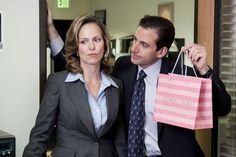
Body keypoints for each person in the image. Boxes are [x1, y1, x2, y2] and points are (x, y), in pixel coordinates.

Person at [47, 8, 231, 157]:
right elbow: (81, 61)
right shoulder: (122, 67)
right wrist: (50, 28)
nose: (134, 48)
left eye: (144, 45)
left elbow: (222, 108)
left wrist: (204, 70)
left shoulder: (182, 76)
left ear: (161, 52)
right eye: (135, 39)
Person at [23, 14, 127, 157]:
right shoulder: (58, 83)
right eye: (84, 41)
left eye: (97, 40)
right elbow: (40, 136)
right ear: (76, 48)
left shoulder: (116, 86)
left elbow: (119, 140)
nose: (92, 47)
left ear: (105, 43)